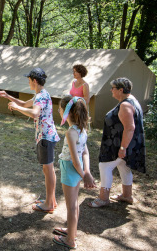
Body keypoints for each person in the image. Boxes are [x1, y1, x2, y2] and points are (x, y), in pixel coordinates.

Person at [0, 68, 60, 213]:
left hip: (45, 137)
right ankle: (51, 200)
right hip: (46, 136)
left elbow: (35, 113)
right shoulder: (40, 94)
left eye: (29, 80)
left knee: (48, 170)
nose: (28, 82)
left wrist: (16, 108)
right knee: (48, 169)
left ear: (35, 81)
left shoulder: (41, 96)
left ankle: (49, 204)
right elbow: (25, 104)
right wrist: (8, 96)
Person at [89, 77, 146, 208]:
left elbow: (130, 128)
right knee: (123, 166)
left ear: (120, 90)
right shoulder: (132, 100)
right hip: (124, 144)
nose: (111, 90)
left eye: (113, 88)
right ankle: (127, 195)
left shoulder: (126, 105)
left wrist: (122, 147)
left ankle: (103, 198)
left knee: (105, 166)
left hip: (118, 145)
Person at [53, 95, 95, 249]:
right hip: (76, 170)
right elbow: (85, 153)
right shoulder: (81, 130)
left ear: (67, 112)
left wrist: (86, 176)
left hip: (70, 169)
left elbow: (75, 159)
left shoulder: (71, 133)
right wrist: (86, 172)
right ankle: (72, 231)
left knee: (71, 206)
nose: (58, 110)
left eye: (60, 108)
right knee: (74, 203)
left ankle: (70, 240)